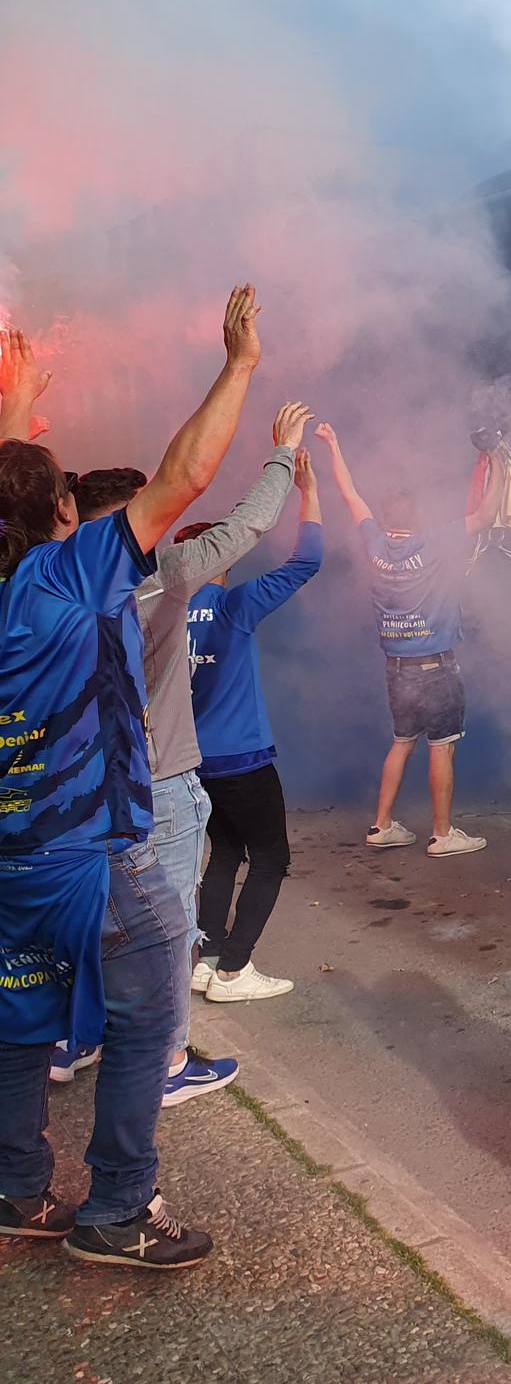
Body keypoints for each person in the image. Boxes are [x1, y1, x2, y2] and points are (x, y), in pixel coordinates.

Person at [0, 289, 263, 1269]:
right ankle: (117, 1210)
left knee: (19, 1018)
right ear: (66, 514)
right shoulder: (70, 579)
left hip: (10, 854)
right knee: (149, 1013)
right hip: (92, 861)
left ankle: (13, 1186)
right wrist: (238, 364)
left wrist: (15, 405)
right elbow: (188, 472)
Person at [69, 397, 313, 1104]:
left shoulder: (49, 577)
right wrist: (283, 451)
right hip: (161, 778)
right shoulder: (164, 574)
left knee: (101, 912)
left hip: (83, 778)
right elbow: (252, 522)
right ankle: (169, 1063)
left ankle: (86, 1037)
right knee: (169, 926)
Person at [313, 422, 507, 857]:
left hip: (397, 668)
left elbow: (350, 494)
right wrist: (497, 462)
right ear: (416, 517)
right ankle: (442, 834)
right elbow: (487, 516)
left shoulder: (374, 543)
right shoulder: (434, 542)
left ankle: (381, 825)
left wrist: (334, 444)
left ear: (383, 519)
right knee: (442, 747)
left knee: (402, 742)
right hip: (436, 667)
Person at [183, 448, 326, 1003]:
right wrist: (309, 492)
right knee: (271, 859)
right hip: (243, 760)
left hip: (194, 763)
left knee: (222, 852)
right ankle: (233, 970)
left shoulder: (161, 613)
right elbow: (306, 562)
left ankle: (206, 955)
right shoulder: (232, 605)